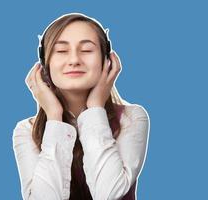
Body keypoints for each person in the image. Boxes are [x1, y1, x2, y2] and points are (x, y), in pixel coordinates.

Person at [12, 13, 150, 200]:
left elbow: (108, 195)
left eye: (86, 50)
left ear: (106, 60)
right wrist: (54, 116)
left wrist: (95, 108)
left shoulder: (132, 118)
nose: (74, 60)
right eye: (61, 51)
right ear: (44, 64)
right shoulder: (26, 130)